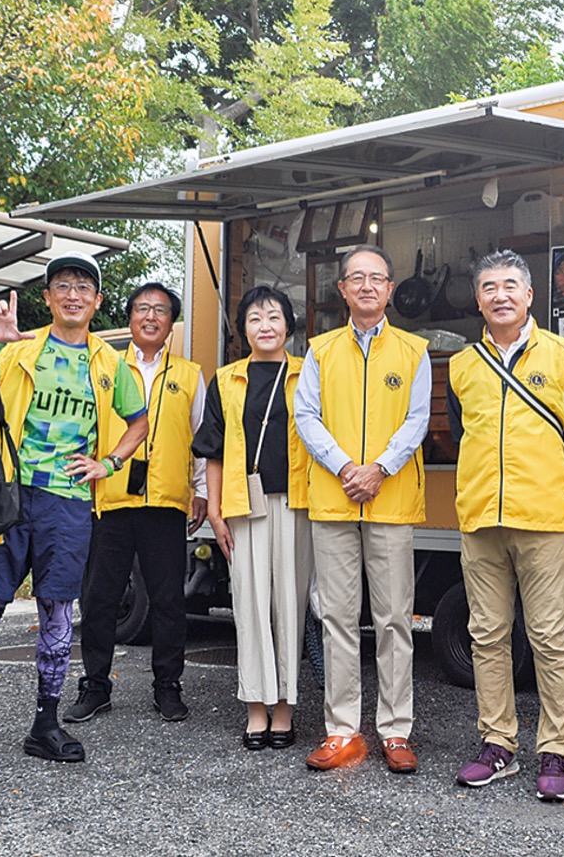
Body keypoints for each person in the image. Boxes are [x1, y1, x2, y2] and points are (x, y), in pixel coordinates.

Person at [0, 252, 148, 770]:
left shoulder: (111, 363)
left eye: (84, 287)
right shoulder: (16, 350)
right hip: (7, 496)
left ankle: (45, 724)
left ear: (96, 301)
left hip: (68, 504)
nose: (73, 294)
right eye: (63, 285)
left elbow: (138, 422)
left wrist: (108, 463)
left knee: (56, 613)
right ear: (47, 298)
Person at [446, 249, 564, 801]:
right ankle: (498, 744)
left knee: (551, 637)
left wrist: (547, 482)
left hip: (544, 518)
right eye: (489, 286)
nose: (500, 294)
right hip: (480, 516)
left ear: (530, 295)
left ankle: (557, 751)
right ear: (479, 299)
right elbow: (464, 436)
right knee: (486, 635)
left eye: (511, 284)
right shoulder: (462, 367)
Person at [294, 245, 431, 774]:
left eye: (377, 278)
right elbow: (306, 415)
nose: (368, 286)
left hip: (391, 499)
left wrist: (378, 469)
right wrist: (346, 467)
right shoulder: (321, 350)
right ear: (343, 290)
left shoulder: (414, 351)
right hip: (333, 498)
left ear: (391, 289)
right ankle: (342, 730)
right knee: (337, 618)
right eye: (357, 278)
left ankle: (396, 730)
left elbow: (417, 421)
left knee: (395, 618)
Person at [66, 282, 208, 726]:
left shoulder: (189, 374)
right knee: (100, 597)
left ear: (171, 323)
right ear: (129, 318)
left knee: (168, 600)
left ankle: (167, 686)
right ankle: (95, 686)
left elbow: (201, 438)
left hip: (165, 501)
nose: (150, 317)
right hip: (110, 498)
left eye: (161, 310)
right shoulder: (104, 366)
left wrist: (200, 490)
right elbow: (84, 423)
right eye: (142, 308)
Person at [192, 285, 311, 750]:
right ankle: (256, 707)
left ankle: (285, 708)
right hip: (244, 506)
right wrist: (215, 512)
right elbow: (214, 452)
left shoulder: (307, 373)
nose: (265, 326)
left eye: (274, 317)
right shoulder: (226, 379)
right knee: (249, 605)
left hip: (298, 504)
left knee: (289, 606)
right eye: (255, 318)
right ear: (243, 328)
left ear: (288, 326)